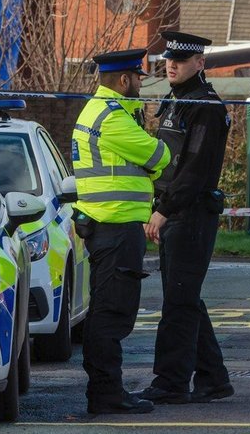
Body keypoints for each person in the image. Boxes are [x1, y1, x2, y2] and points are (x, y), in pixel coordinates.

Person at [135, 31, 234, 405]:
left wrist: (163, 210)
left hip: (190, 214)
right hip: (178, 212)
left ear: (200, 64)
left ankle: (172, 382)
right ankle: (213, 378)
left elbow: (194, 170)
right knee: (185, 297)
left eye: (180, 59)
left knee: (178, 302)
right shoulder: (177, 102)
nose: (171, 65)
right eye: (168, 59)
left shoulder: (204, 107)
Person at [73, 48, 171, 416]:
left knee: (110, 312)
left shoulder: (108, 112)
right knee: (112, 314)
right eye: (139, 78)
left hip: (111, 225)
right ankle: (106, 394)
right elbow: (159, 157)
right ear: (124, 79)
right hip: (113, 226)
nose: (142, 85)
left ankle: (107, 391)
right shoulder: (111, 118)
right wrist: (152, 164)